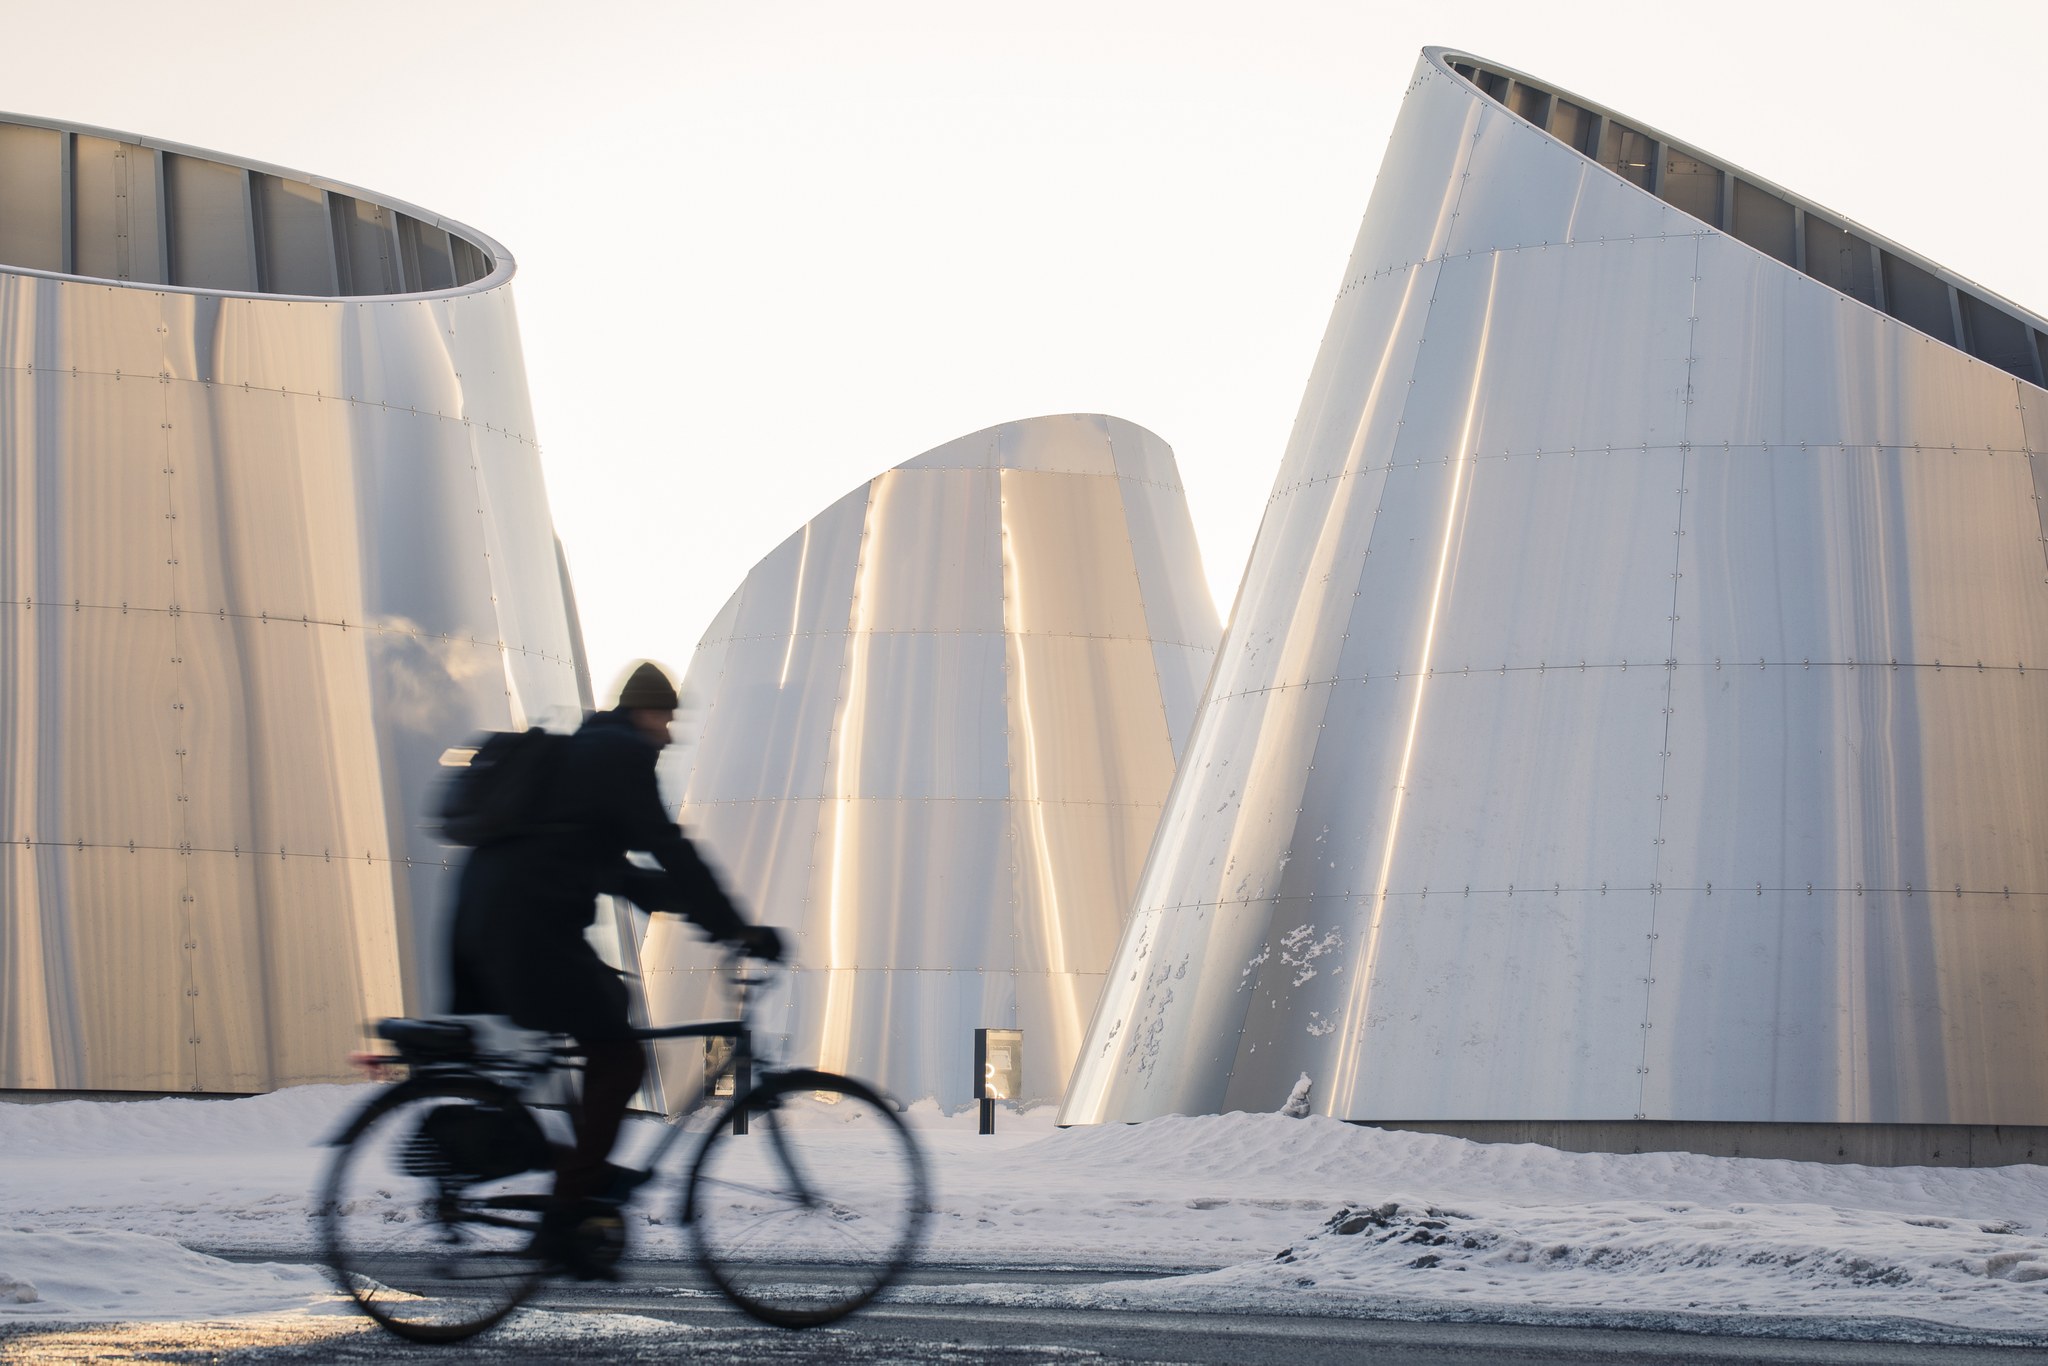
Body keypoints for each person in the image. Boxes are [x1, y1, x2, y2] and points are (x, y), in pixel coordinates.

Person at [447, 660, 781, 1274]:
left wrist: (694, 913)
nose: (670, 733)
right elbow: (670, 848)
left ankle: (582, 1178)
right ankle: (569, 1210)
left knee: (607, 1013)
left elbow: (616, 871)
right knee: (620, 1055)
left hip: (488, 921)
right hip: (527, 930)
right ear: (641, 713)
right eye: (665, 717)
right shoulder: (620, 758)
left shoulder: (586, 756)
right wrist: (736, 929)